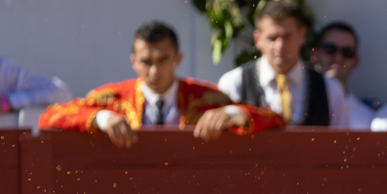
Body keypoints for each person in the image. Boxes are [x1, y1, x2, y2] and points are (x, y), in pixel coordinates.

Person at [39, 21, 283, 145]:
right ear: (134, 62)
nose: (154, 70)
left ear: (178, 59)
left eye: (163, 60)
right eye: (146, 61)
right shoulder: (113, 98)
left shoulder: (208, 98)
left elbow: (274, 119)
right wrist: (101, 119)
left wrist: (233, 114)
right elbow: (50, 117)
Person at [218, 0, 350, 128]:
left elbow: (341, 146)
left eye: (287, 37)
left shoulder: (330, 89)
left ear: (302, 35)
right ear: (258, 39)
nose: (280, 46)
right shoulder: (234, 83)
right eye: (272, 38)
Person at [310, 21, 373, 130]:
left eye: (347, 52)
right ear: (314, 54)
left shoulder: (368, 119)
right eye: (330, 49)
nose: (338, 57)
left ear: (355, 61)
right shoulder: (298, 104)